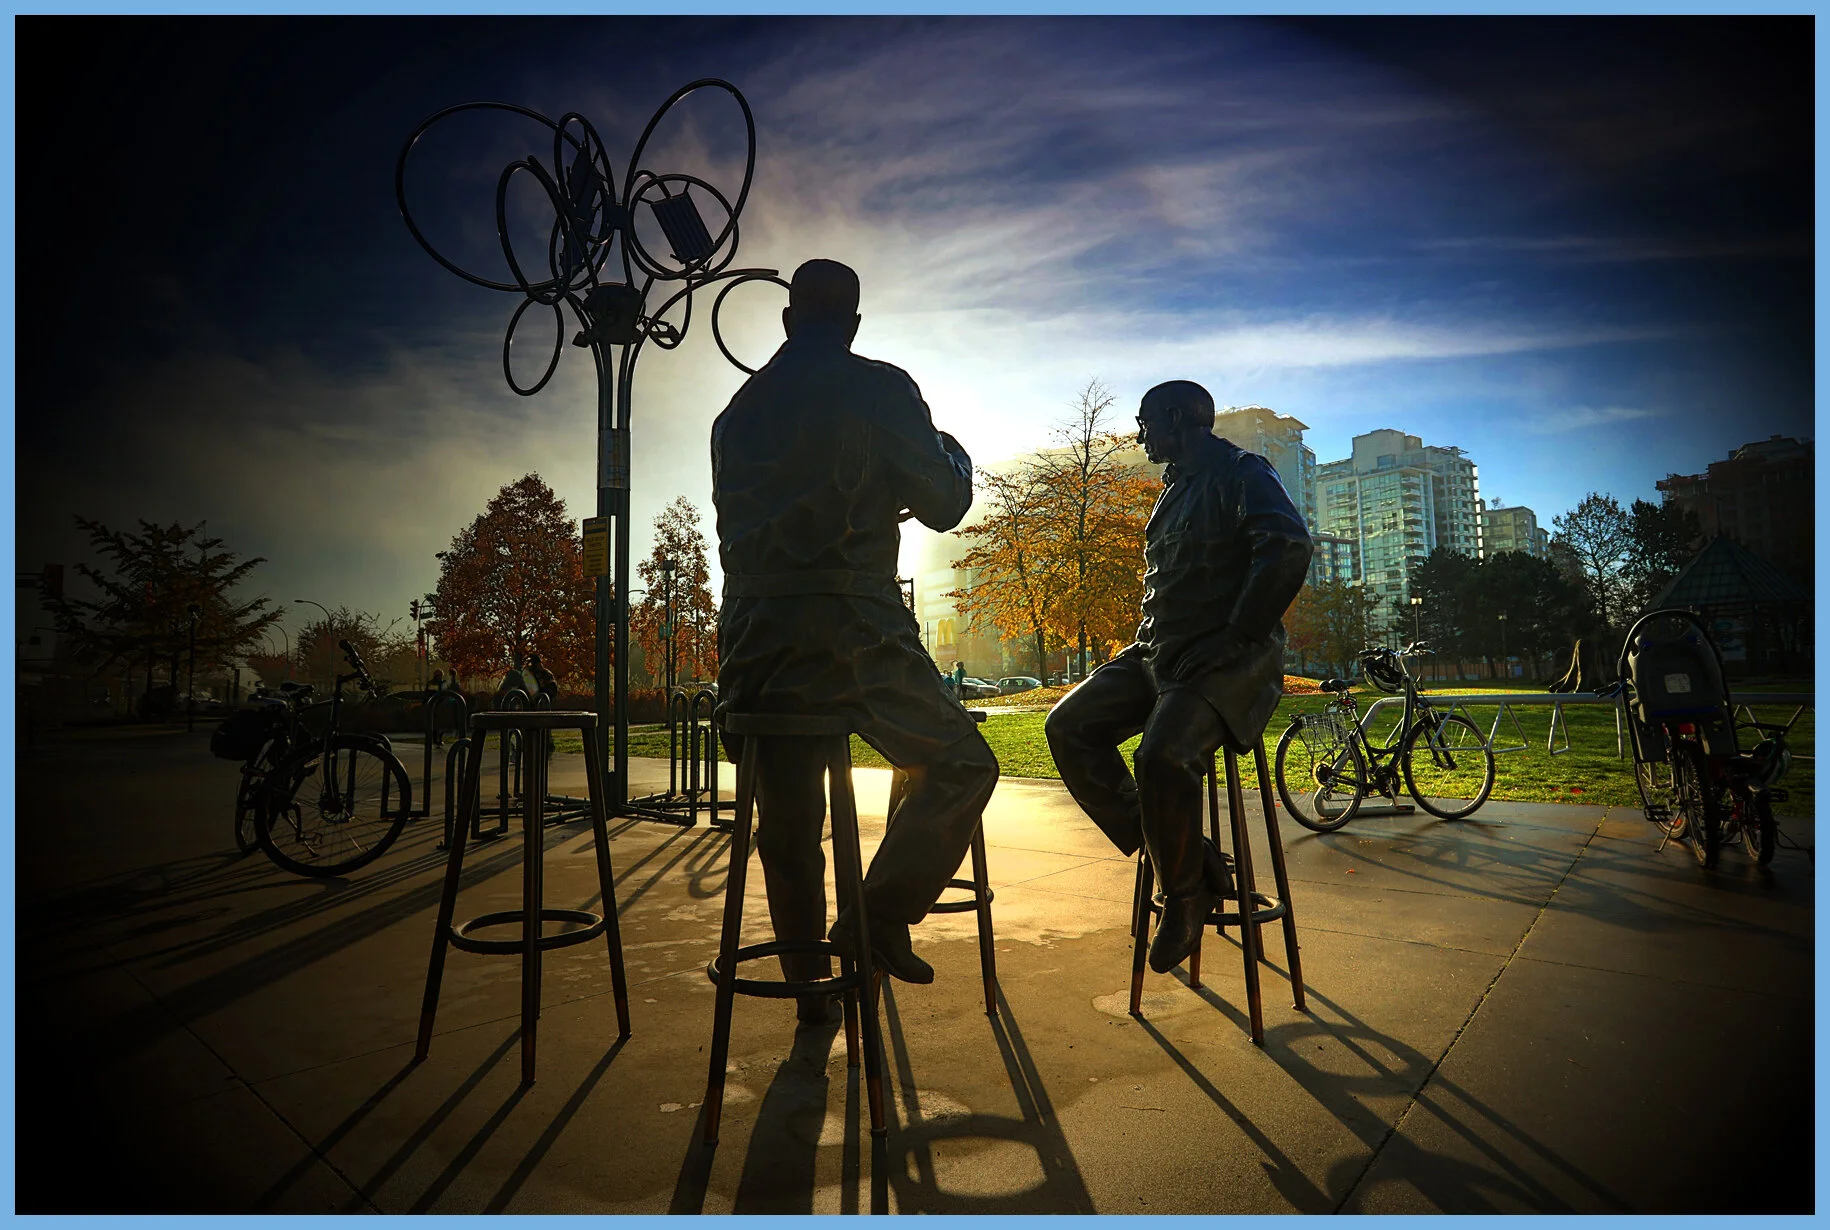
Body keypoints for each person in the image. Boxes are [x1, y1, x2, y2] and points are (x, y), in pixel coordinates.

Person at [712, 258, 999, 1014]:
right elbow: (940, 503)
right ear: (855, 324)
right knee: (963, 763)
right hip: (850, 633)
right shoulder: (879, 386)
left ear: (786, 320)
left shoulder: (736, 412)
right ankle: (876, 917)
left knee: (790, 822)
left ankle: (812, 992)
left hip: (752, 647)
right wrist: (955, 453)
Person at [1044, 380, 1312, 974]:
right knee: (1068, 727)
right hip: (1158, 654)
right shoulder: (1173, 489)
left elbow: (1288, 547)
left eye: (1145, 422)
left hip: (1226, 660)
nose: (1140, 435)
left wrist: (1236, 635)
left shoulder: (1243, 472)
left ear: (1175, 418)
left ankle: (1185, 898)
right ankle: (1193, 857)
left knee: (1162, 758)